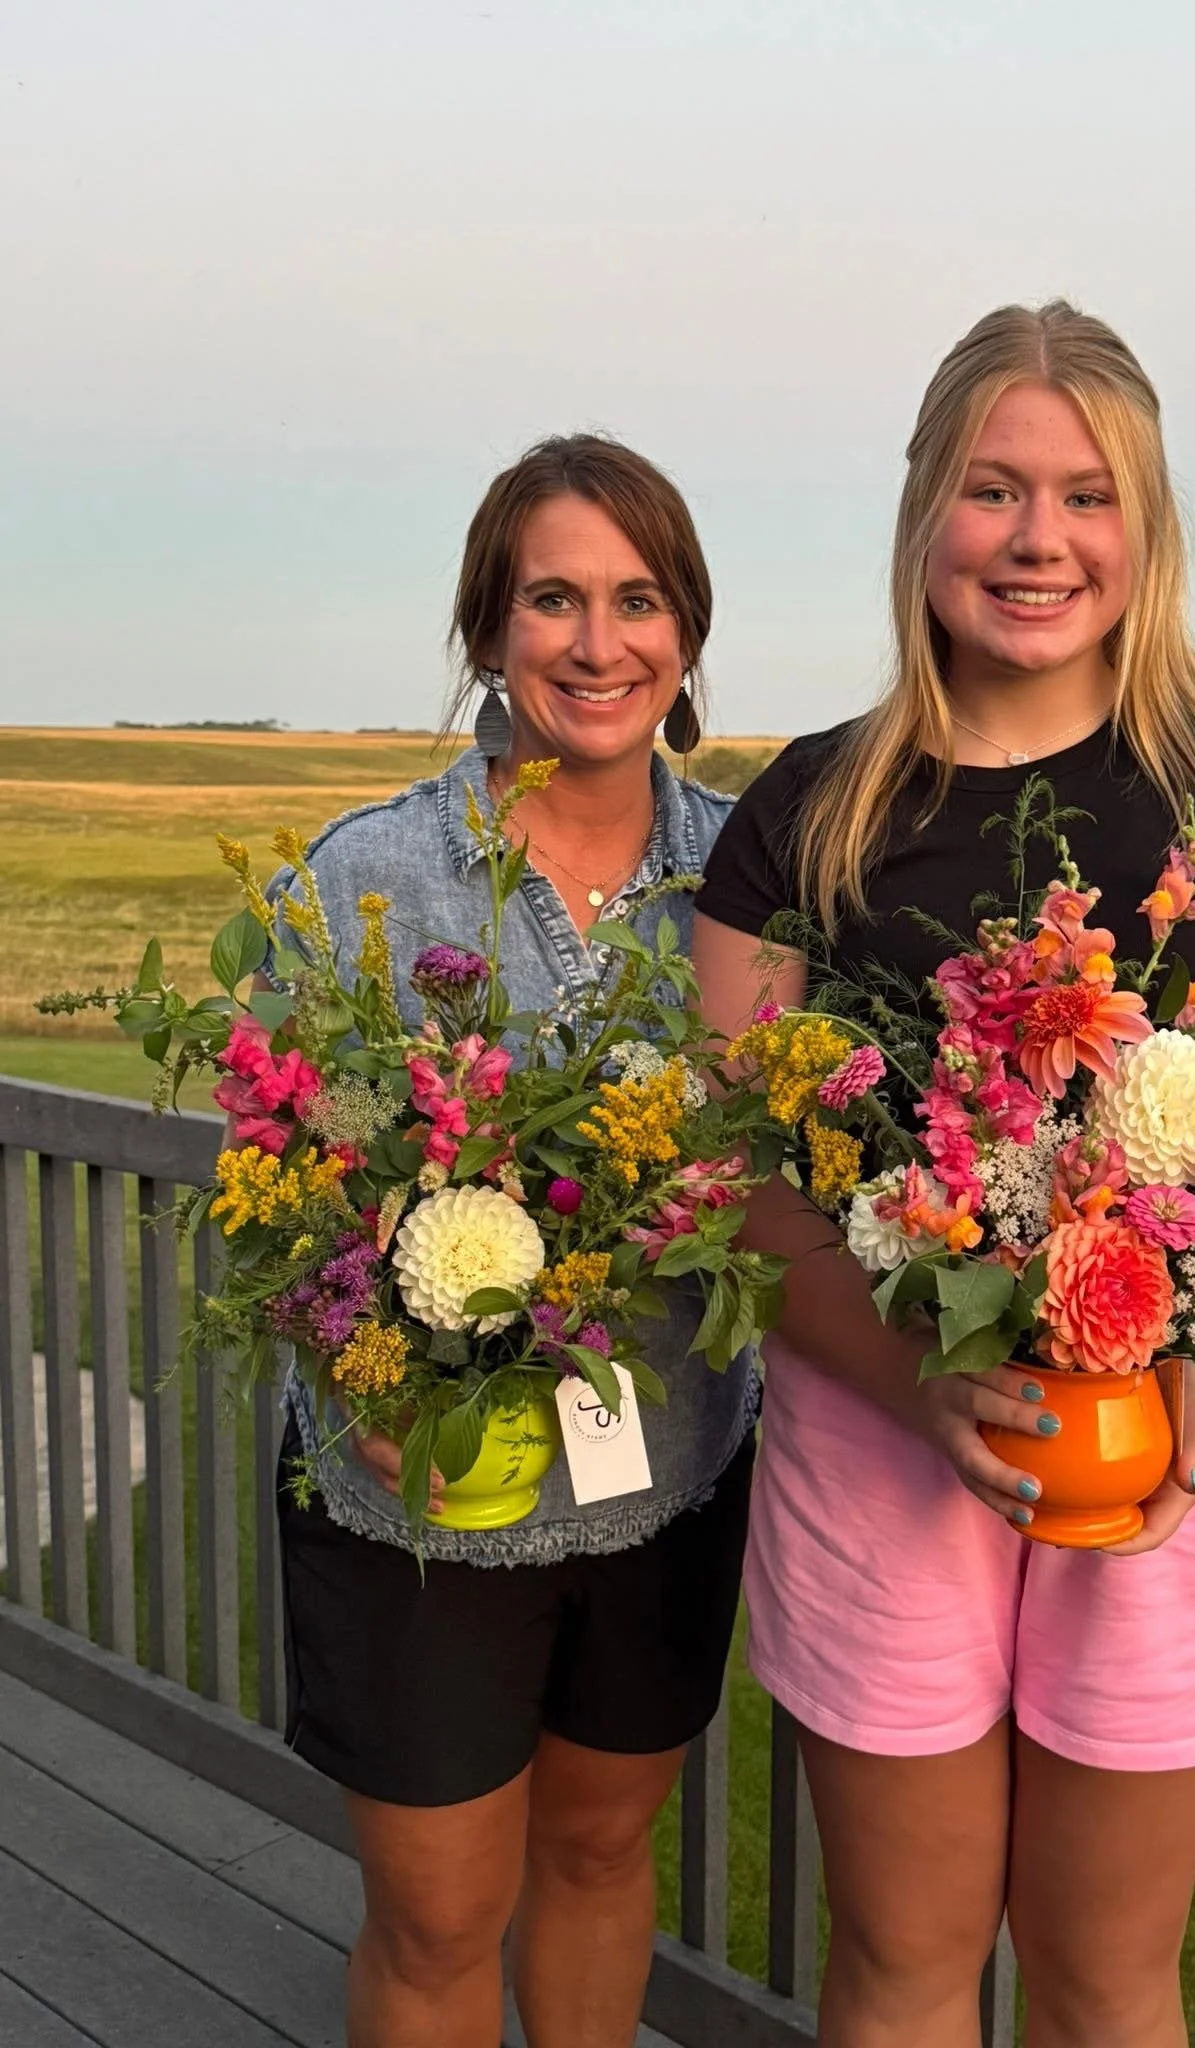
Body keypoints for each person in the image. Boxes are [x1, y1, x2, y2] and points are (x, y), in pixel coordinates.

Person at [691, 303, 1195, 2047]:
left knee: (1103, 1980)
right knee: (906, 1966)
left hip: (1177, 1446)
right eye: (995, 489)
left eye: (1087, 495)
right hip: (881, 1438)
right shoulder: (814, 811)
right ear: (928, 509)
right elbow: (735, 1177)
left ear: (1144, 527)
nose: (1038, 539)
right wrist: (915, 1380)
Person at [269, 435, 754, 2048]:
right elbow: (269, 1198)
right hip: (419, 1495)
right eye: (553, 598)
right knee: (438, 1916)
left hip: (665, 1468)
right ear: (490, 629)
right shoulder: (372, 877)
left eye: (637, 600)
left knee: (607, 1855)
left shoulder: (747, 885)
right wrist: (372, 1354)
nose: (597, 642)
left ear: (684, 635)